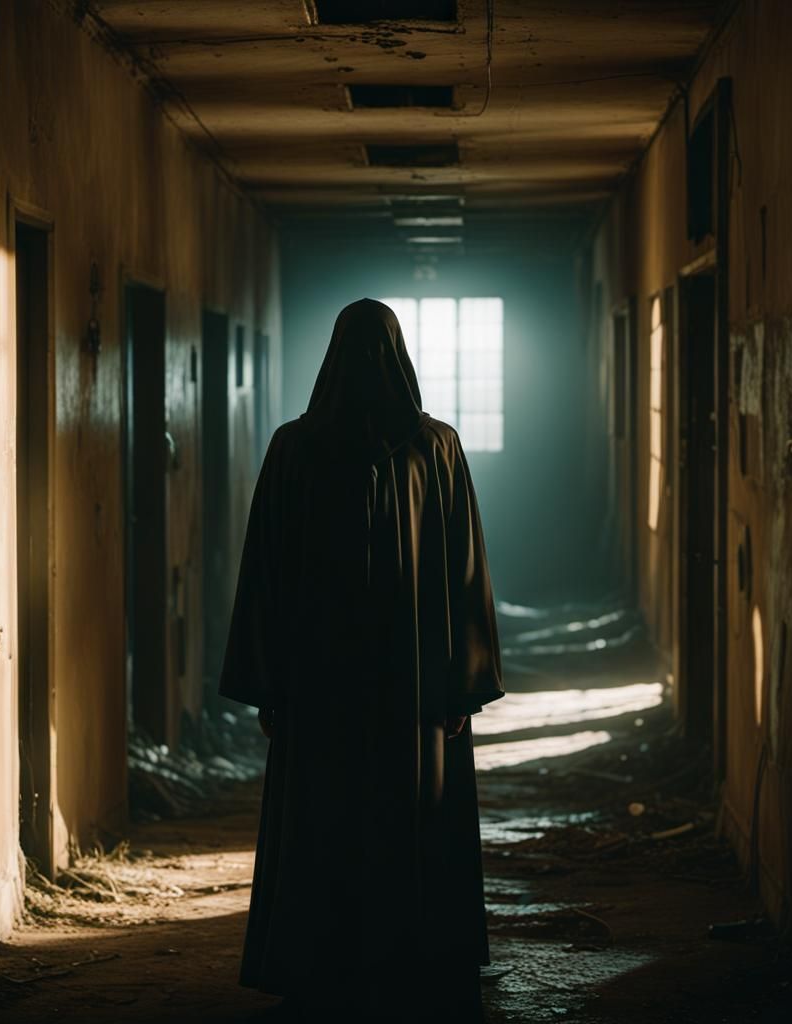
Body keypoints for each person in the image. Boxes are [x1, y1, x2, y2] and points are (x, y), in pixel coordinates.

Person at [219, 298, 504, 1022]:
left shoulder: (294, 449)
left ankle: (325, 966)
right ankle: (415, 964)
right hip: (414, 696)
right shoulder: (435, 448)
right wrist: (461, 690)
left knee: (324, 823)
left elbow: (267, 577)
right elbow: (464, 573)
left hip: (321, 694)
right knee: (414, 820)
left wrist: (268, 687)